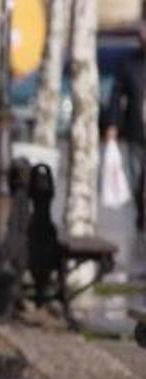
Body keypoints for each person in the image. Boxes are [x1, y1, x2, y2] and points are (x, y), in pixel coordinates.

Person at [106, 21, 146, 232]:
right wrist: (112, 124)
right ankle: (141, 213)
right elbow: (116, 95)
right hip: (136, 132)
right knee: (136, 178)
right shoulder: (129, 64)